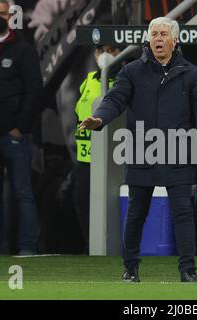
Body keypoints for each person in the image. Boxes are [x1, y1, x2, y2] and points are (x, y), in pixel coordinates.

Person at [79, 17, 197, 282]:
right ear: (148, 40)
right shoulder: (131, 71)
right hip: (141, 152)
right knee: (136, 214)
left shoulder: (191, 73)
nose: (158, 38)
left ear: (175, 40)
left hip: (179, 153)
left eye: (163, 34)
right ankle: (130, 269)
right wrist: (100, 119)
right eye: (154, 34)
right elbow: (115, 100)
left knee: (182, 212)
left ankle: (187, 270)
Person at [0, 0, 43, 255]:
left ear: (11, 16)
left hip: (13, 135)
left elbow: (35, 90)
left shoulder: (23, 49)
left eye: (4, 14)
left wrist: (20, 126)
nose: (1, 18)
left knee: (23, 193)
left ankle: (28, 248)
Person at [74, 44, 121, 253]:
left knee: (109, 204)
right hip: (86, 156)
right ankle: (88, 246)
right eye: (101, 50)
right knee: (82, 200)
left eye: (112, 50)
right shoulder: (88, 81)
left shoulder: (123, 81)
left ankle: (114, 247)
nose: (105, 55)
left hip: (112, 158)